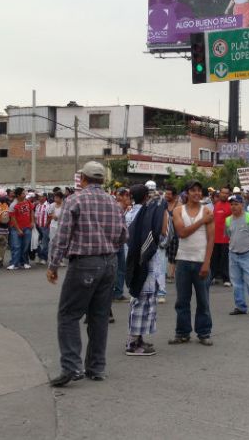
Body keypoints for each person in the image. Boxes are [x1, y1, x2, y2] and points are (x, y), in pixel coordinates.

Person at [47, 161, 128, 386]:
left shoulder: (75, 200)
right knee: (99, 317)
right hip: (109, 262)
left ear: (82, 178)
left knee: (68, 315)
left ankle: (72, 367)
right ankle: (96, 367)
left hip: (84, 262)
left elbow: (62, 236)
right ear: (102, 180)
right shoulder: (113, 202)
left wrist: (53, 265)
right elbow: (124, 235)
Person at [169, 180, 215, 346]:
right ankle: (182, 333)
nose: (197, 193)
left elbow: (211, 239)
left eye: (199, 190)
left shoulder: (207, 211)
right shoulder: (178, 211)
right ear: (187, 193)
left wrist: (206, 263)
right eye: (193, 190)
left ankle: (204, 333)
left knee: (203, 301)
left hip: (201, 261)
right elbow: (181, 233)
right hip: (183, 261)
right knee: (182, 301)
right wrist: (202, 221)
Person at [124, 184, 168, 356]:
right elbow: (162, 236)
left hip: (132, 261)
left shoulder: (129, 213)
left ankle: (138, 339)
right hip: (146, 265)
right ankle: (132, 343)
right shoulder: (149, 214)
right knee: (142, 303)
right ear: (146, 197)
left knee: (138, 301)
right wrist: (164, 215)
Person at [7, 187, 33, 270]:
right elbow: (13, 218)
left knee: (25, 246)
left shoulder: (28, 202)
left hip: (27, 227)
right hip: (15, 229)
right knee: (16, 246)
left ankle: (25, 262)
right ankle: (14, 263)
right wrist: (18, 229)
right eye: (23, 193)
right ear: (18, 195)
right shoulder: (13, 205)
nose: (24, 194)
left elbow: (31, 212)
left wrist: (32, 222)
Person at [211, 186, 232, 286]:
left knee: (225, 259)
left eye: (226, 193)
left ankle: (226, 279)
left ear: (229, 195)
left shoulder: (231, 206)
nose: (224, 195)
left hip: (226, 238)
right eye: (222, 193)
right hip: (215, 238)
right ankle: (212, 277)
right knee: (214, 259)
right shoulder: (216, 205)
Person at [112, 188, 131, 302]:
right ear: (122, 197)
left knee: (120, 268)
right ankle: (115, 294)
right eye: (127, 196)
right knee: (117, 269)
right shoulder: (118, 208)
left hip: (119, 243)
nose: (129, 199)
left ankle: (117, 293)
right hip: (116, 243)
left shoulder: (124, 209)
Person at [164, 186, 180, 285]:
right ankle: (168, 273)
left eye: (169, 194)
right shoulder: (164, 204)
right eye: (166, 193)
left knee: (173, 255)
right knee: (165, 254)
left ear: (174, 196)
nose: (166, 195)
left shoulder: (179, 205)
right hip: (164, 234)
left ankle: (170, 275)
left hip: (175, 234)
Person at [34, 193, 51, 265]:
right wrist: (36, 223)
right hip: (38, 226)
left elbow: (50, 216)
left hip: (45, 227)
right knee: (37, 242)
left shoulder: (48, 206)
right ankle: (40, 255)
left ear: (44, 197)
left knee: (44, 243)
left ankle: (44, 258)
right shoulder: (38, 205)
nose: (39, 198)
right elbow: (35, 216)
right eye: (39, 197)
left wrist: (46, 224)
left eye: (41, 196)